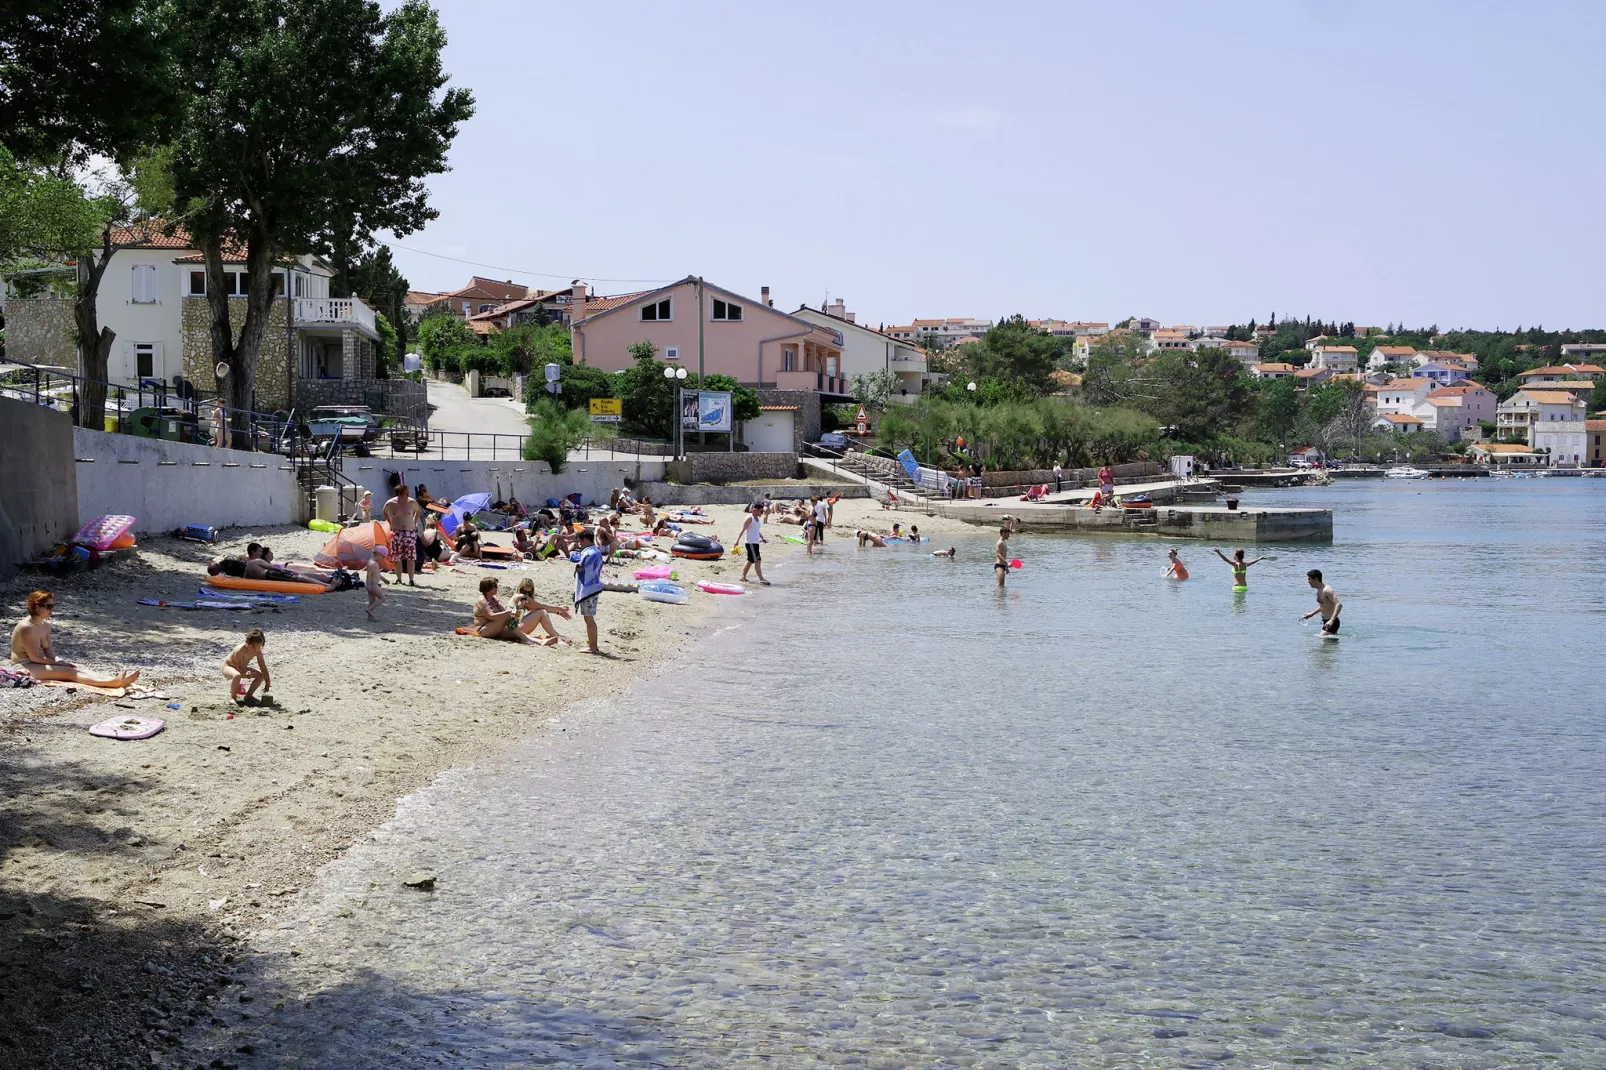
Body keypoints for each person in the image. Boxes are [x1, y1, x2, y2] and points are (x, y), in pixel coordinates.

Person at [11, 591, 141, 688]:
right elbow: (34, 658)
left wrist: (58, 661)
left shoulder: (45, 625)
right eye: (48, 607)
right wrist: (59, 664)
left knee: (77, 667)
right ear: (36, 607)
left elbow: (49, 650)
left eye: (53, 606)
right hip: (25, 665)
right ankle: (110, 683)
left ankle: (113, 679)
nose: (51, 610)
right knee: (69, 671)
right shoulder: (26, 627)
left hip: (38, 663)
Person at [472, 577, 546, 645]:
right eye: (495, 586)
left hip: (494, 628)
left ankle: (535, 641)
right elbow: (491, 616)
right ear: (488, 588)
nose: (497, 588)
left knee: (509, 617)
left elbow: (504, 611)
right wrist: (507, 613)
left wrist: (518, 607)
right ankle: (525, 639)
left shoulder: (493, 598)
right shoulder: (482, 600)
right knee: (507, 617)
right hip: (483, 630)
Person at [572, 528, 604, 654]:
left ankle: (593, 646)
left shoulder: (589, 553)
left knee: (588, 619)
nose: (580, 544)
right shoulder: (596, 551)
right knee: (589, 618)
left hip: (588, 590)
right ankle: (592, 644)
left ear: (585, 539)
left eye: (580, 542)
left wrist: (576, 565)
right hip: (595, 587)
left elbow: (581, 568)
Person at [383, 483, 421, 586]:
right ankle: (399, 579)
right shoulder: (391, 503)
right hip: (397, 531)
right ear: (399, 494)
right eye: (405, 493)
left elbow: (418, 512)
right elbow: (385, 511)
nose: (407, 495)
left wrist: (415, 522)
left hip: (409, 531)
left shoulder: (412, 502)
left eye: (408, 493)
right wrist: (391, 522)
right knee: (397, 557)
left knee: (410, 557)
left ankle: (411, 579)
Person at [513, 578, 571, 644]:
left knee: (541, 611)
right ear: (520, 589)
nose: (526, 594)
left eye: (528, 593)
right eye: (524, 591)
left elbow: (537, 608)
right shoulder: (521, 597)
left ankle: (556, 635)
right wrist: (558, 608)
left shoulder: (520, 597)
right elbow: (541, 606)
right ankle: (557, 636)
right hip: (513, 628)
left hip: (513, 627)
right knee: (542, 612)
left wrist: (557, 611)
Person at [223, 627, 270, 705]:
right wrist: (245, 673)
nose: (255, 650)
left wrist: (267, 681)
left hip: (243, 668)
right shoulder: (239, 650)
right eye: (253, 647)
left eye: (259, 647)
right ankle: (233, 697)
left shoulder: (257, 651)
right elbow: (238, 667)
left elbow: (263, 666)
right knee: (237, 675)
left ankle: (248, 696)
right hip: (229, 667)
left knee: (260, 676)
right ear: (247, 642)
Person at [736, 503, 770, 585]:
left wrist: (762, 537)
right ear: (755, 510)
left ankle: (743, 576)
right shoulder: (749, 518)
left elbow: (756, 530)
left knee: (750, 560)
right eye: (761, 511)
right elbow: (743, 530)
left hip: (755, 542)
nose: (762, 513)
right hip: (750, 543)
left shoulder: (757, 518)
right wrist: (736, 541)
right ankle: (761, 579)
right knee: (757, 560)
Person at [1304, 569, 1342, 635]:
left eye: (1309, 579)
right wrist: (1312, 614)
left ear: (1316, 579)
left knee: (1321, 639)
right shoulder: (1319, 590)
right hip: (1326, 622)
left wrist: (1331, 620)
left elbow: (1339, 604)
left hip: (1332, 622)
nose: (1308, 582)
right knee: (1329, 644)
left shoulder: (1327, 590)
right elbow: (1323, 606)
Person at [364, 551, 388, 620]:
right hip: (372, 584)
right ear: (379, 554)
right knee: (382, 598)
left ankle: (370, 617)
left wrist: (384, 579)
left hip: (372, 584)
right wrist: (368, 584)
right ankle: (370, 610)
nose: (383, 559)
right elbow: (369, 574)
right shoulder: (373, 563)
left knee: (372, 601)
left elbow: (377, 573)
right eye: (383, 557)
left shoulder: (374, 562)